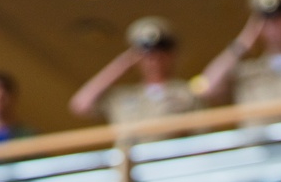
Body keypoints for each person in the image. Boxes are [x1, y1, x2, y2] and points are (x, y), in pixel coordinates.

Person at [69, 18, 202, 125]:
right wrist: (122, 64)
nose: (154, 58)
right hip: (129, 158)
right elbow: (80, 105)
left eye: (162, 50)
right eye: (146, 52)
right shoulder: (122, 97)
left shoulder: (187, 93)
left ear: (173, 54)